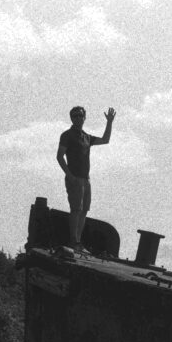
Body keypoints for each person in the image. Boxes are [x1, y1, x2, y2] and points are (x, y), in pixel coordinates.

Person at [57, 105, 115, 253]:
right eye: (75, 116)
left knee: (84, 210)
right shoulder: (67, 135)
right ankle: (73, 242)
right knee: (76, 209)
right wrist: (70, 175)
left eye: (80, 115)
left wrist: (109, 122)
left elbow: (105, 140)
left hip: (86, 179)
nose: (78, 118)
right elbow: (59, 156)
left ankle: (78, 241)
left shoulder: (86, 137)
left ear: (84, 117)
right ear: (71, 118)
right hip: (74, 178)